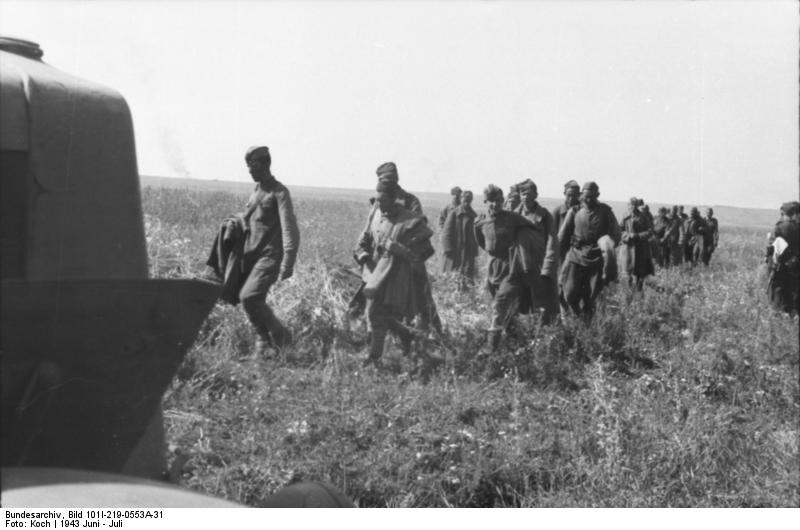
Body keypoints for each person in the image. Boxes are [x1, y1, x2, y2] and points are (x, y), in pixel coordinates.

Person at [355, 180, 435, 366]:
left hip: (396, 277)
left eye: (383, 200)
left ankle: (375, 358)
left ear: (393, 199)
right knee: (380, 314)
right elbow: (365, 238)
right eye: (377, 200)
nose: (379, 204)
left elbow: (422, 253)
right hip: (375, 273)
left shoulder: (410, 221)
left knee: (376, 313)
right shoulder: (376, 214)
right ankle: (407, 335)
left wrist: (396, 248)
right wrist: (364, 255)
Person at [237, 145, 299, 355]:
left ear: (264, 164)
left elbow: (289, 228)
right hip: (252, 258)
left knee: (249, 297)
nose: (249, 171)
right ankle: (264, 348)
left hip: (270, 258)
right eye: (248, 166)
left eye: (252, 166)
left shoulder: (280, 193)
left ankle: (280, 334)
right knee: (253, 301)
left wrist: (288, 261)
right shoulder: (257, 190)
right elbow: (250, 220)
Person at [474, 185, 551, 352]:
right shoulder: (480, 222)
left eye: (499, 200)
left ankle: (490, 350)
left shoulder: (512, 218)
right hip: (494, 268)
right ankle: (516, 344)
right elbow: (481, 242)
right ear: (486, 202)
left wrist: (525, 251)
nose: (496, 204)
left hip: (512, 268)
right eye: (492, 201)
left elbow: (534, 229)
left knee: (500, 304)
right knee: (508, 310)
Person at [375, 162, 442, 334]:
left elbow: (419, 230)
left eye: (390, 179)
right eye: (383, 179)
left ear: (397, 179)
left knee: (421, 296)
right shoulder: (379, 199)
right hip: (385, 261)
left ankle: (434, 332)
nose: (388, 182)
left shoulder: (410, 200)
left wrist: (400, 247)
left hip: (408, 259)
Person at [557, 181, 621, 318]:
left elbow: (616, 233)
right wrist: (557, 256)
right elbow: (562, 236)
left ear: (597, 195)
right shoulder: (574, 211)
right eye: (586, 196)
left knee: (591, 296)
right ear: (581, 195)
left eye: (592, 196)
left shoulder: (605, 211)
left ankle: (587, 323)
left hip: (596, 258)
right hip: (576, 256)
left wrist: (606, 246)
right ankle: (576, 313)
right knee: (569, 292)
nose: (589, 199)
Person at [515, 179, 559, 323]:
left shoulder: (545, 216)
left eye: (528, 193)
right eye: (522, 194)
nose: (525, 197)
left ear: (536, 195)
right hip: (520, 268)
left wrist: (547, 269)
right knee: (520, 307)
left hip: (539, 268)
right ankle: (523, 336)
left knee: (543, 308)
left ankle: (545, 338)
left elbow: (552, 243)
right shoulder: (514, 215)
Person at [551, 180, 582, 312]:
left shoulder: (582, 211)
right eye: (569, 195)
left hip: (578, 255)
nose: (571, 198)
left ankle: (576, 315)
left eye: (575, 195)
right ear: (564, 194)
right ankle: (564, 316)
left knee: (575, 288)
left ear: (579, 195)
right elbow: (551, 233)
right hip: (561, 254)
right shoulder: (558, 211)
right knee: (559, 286)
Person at [441, 190, 479, 289]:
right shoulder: (454, 214)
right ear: (461, 199)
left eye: (469, 200)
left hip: (467, 252)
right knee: (451, 276)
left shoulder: (473, 215)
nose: (467, 202)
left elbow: (475, 235)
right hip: (454, 251)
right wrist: (448, 249)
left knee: (466, 277)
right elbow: (446, 233)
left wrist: (474, 251)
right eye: (465, 200)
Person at [766, 202, 799, 314]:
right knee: (794, 290)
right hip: (795, 265)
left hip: (779, 265)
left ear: (786, 214)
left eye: (782, 214)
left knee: (777, 291)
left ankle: (778, 313)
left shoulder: (780, 227)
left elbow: (771, 248)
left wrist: (769, 260)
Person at [620, 197, 654, 290]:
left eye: (634, 205)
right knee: (627, 271)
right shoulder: (625, 216)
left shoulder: (643, 217)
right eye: (630, 205)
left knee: (640, 271)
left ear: (637, 206)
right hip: (628, 247)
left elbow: (650, 231)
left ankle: (639, 291)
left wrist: (638, 236)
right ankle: (629, 291)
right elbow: (620, 230)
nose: (632, 207)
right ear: (628, 206)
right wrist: (627, 235)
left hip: (641, 248)